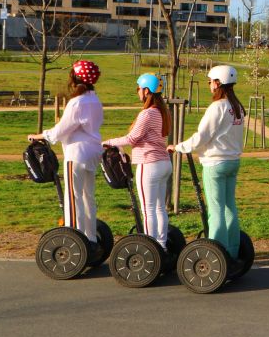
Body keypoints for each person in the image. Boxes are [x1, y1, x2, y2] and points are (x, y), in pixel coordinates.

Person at [167, 65, 245, 260]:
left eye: (210, 81)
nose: (209, 85)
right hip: (233, 161)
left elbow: (202, 136)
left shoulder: (217, 107)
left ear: (218, 83)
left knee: (215, 209)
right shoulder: (237, 107)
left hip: (215, 163)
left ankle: (217, 254)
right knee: (229, 207)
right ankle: (232, 251)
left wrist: (179, 147)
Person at [27, 60, 104, 247]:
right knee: (88, 197)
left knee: (72, 197)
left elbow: (61, 130)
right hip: (93, 151)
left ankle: (74, 240)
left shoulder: (77, 102)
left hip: (76, 153)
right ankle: (91, 239)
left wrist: (40, 135)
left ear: (75, 78)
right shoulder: (95, 99)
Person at [102, 73, 172, 249]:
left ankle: (151, 249)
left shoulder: (147, 114)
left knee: (148, 209)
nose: (138, 92)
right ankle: (161, 245)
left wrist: (108, 142)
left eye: (138, 88)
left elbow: (132, 138)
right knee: (159, 208)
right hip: (164, 163)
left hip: (148, 164)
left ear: (146, 90)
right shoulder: (163, 112)